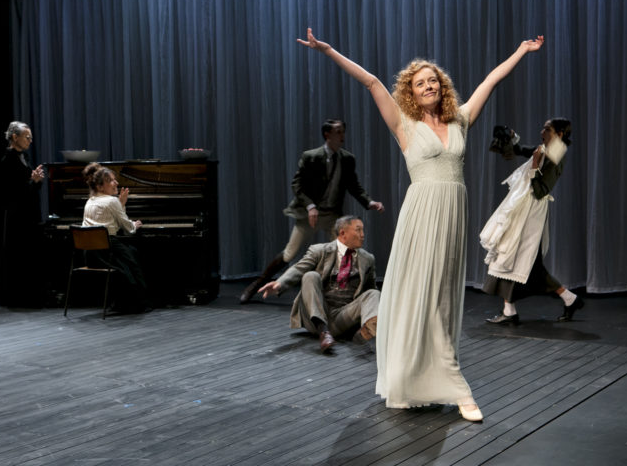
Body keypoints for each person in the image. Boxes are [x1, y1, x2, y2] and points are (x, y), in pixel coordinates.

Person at [297, 27, 544, 421]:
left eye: (433, 81)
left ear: (441, 87)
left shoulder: (461, 119)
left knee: (443, 301)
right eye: (420, 83)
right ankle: (457, 387)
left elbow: (490, 81)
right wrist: (328, 50)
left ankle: (432, 378)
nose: (429, 86)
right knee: (421, 300)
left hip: (452, 216)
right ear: (410, 93)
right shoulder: (404, 125)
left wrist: (521, 51)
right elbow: (371, 81)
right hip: (421, 217)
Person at [240, 119, 384, 303]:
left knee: (344, 250)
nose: (342, 136)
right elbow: (297, 185)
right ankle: (257, 285)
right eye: (338, 132)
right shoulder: (311, 157)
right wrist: (310, 206)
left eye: (343, 131)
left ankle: (344, 293)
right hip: (310, 216)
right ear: (327, 134)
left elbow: (354, 186)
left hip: (332, 215)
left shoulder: (347, 159)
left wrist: (369, 202)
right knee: (289, 253)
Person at [480, 118, 583, 324]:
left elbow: (541, 189)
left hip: (532, 211)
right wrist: (511, 137)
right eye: (542, 127)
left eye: (547, 129)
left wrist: (535, 165)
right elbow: (520, 150)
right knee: (514, 255)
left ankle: (513, 310)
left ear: (560, 134)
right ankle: (566, 299)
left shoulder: (557, 153)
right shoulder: (545, 149)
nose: (542, 131)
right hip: (524, 208)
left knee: (518, 256)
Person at [259, 216, 379, 353]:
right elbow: (299, 268)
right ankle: (324, 332)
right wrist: (280, 283)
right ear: (343, 233)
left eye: (363, 230)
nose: (362, 235)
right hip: (317, 315)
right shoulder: (320, 251)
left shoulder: (367, 259)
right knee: (310, 276)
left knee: (374, 293)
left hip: (344, 316)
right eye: (358, 230)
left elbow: (370, 290)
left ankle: (364, 334)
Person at [81, 162, 151, 314]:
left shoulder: (89, 200)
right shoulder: (112, 201)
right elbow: (128, 228)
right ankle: (136, 302)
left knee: (131, 252)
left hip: (90, 255)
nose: (116, 183)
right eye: (111, 180)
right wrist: (134, 223)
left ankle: (118, 301)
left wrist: (120, 205)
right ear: (100, 187)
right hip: (107, 251)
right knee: (134, 257)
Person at [0, 121, 46, 307]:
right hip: (17, 214)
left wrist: (36, 181)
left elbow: (28, 186)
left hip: (28, 211)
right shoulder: (7, 160)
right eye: (27, 137)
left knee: (26, 253)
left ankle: (29, 294)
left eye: (31, 137)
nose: (30, 140)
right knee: (17, 254)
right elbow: (12, 191)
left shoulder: (24, 156)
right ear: (15, 137)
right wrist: (33, 181)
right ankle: (16, 297)